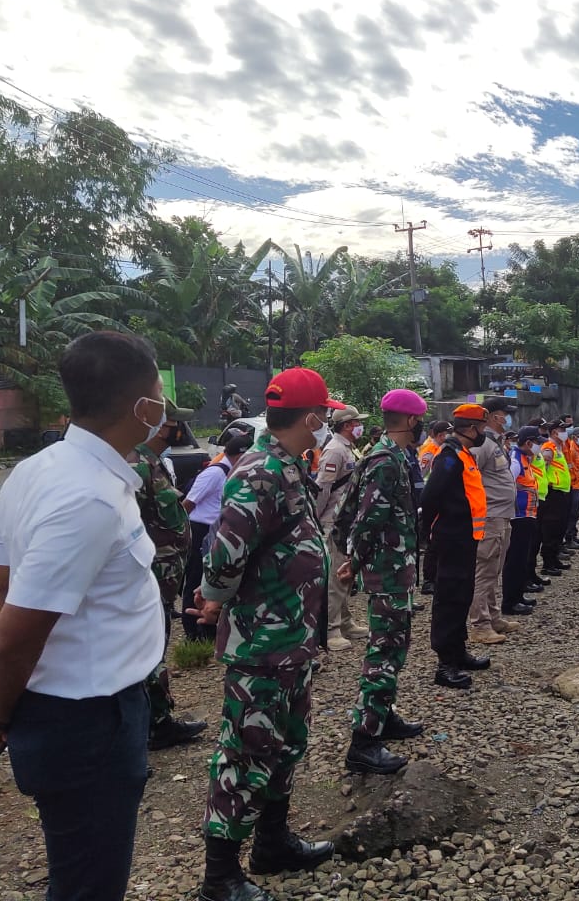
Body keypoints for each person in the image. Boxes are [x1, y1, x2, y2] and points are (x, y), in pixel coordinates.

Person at [0, 333, 167, 901]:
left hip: (74, 716)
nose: (165, 408)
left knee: (80, 873)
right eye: (160, 395)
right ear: (143, 407)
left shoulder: (41, 468)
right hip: (89, 726)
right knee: (89, 885)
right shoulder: (85, 499)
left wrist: (8, 707)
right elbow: (11, 639)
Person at [193, 367, 335, 901]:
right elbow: (226, 553)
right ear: (313, 416)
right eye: (324, 413)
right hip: (261, 644)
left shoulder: (290, 465)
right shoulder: (259, 472)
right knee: (246, 751)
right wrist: (214, 598)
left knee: (287, 744)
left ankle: (272, 843)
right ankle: (219, 877)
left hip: (290, 641)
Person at [338, 389, 429, 774]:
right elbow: (367, 518)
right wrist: (354, 563)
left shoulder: (390, 456)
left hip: (397, 569)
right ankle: (364, 741)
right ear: (410, 421)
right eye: (419, 419)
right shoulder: (386, 462)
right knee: (384, 652)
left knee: (396, 648)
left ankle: (384, 715)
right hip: (387, 573)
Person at [130, 396, 209, 751]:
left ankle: (155, 720)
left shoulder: (154, 462)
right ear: (163, 425)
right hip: (148, 579)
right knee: (149, 650)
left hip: (165, 579)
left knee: (156, 646)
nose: (183, 429)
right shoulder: (137, 467)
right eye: (178, 421)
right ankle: (153, 726)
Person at [420, 403, 491, 690]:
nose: (484, 432)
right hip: (451, 539)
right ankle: (445, 663)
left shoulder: (464, 455)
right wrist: (433, 534)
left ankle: (458, 651)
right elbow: (430, 496)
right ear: (471, 428)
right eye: (482, 427)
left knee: (462, 594)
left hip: (465, 539)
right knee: (449, 599)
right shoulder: (449, 456)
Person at [182, 434, 253, 641]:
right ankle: (193, 631)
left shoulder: (232, 472)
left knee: (212, 577)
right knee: (195, 579)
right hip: (200, 530)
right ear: (240, 454)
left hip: (216, 530)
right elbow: (188, 503)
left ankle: (210, 627)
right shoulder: (214, 473)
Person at [316, 404, 370, 652]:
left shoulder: (348, 448)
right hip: (333, 521)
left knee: (344, 574)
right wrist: (317, 519)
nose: (361, 426)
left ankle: (345, 622)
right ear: (347, 425)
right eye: (357, 422)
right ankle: (330, 629)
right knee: (335, 576)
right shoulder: (335, 450)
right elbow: (323, 488)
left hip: (346, 519)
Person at [468, 397, 520, 646]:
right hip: (488, 517)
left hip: (501, 515)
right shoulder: (482, 445)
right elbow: (469, 478)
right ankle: (480, 625)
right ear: (489, 417)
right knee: (484, 572)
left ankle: (493, 616)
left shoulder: (496, 443)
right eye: (503, 414)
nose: (506, 419)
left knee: (494, 571)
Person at [503, 426, 545, 617]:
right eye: (537, 443)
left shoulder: (525, 459)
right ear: (528, 443)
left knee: (522, 559)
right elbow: (507, 485)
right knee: (515, 560)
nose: (538, 447)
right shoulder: (515, 460)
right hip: (518, 517)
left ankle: (518, 596)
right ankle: (510, 602)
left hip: (527, 515)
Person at [537, 421, 573, 577]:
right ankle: (548, 563)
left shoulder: (559, 448)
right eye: (562, 429)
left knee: (560, 527)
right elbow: (542, 469)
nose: (565, 432)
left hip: (562, 492)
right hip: (553, 493)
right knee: (551, 528)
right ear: (553, 433)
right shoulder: (548, 448)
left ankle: (555, 558)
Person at [563, 425, 579, 548]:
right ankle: (569, 538)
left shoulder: (578, 448)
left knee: (576, 512)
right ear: (574, 437)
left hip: (578, 484)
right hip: (573, 485)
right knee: (572, 512)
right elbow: (571, 468)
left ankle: (573, 535)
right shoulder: (572, 449)